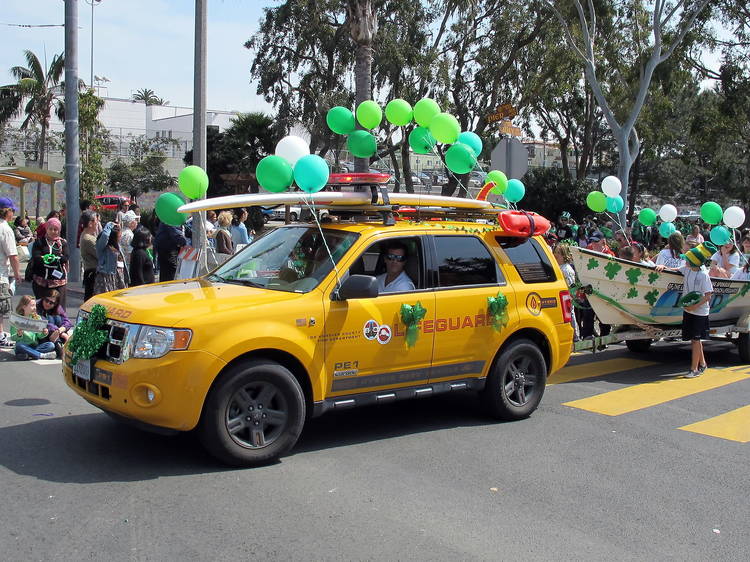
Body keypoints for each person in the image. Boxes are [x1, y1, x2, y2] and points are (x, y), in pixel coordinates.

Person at [656, 243, 714, 377]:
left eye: (687, 259)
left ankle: (694, 369)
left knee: (695, 339)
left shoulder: (703, 275)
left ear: (693, 262)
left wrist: (694, 306)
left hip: (699, 312)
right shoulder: (687, 269)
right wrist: (664, 267)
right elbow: (676, 268)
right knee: (695, 339)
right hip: (688, 310)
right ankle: (703, 364)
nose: (685, 261)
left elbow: (708, 295)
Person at [30, 216, 69, 306]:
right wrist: (55, 259)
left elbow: (65, 258)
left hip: (58, 283)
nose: (53, 231)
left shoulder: (62, 243)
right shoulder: (39, 242)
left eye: (55, 229)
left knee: (58, 310)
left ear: (59, 230)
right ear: (47, 229)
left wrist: (49, 258)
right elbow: (37, 257)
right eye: (50, 229)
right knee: (41, 308)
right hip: (40, 282)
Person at [0, 198, 23, 348]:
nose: (13, 213)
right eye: (12, 210)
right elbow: (13, 256)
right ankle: (1, 335)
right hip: (1, 275)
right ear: (6, 211)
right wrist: (17, 274)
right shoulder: (5, 229)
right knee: (1, 309)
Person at [10, 295, 57, 360]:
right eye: (32, 305)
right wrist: (19, 335)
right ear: (24, 306)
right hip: (23, 345)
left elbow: (39, 336)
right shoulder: (17, 319)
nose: (34, 308)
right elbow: (13, 337)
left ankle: (28, 355)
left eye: (35, 305)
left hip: (34, 346)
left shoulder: (37, 317)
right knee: (19, 345)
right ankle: (42, 355)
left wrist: (44, 333)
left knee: (51, 345)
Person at [553, 243, 580, 341]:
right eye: (555, 252)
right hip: (560, 295)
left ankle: (575, 336)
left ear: (564, 256)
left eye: (558, 253)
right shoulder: (559, 267)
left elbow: (571, 285)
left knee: (570, 315)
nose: (555, 255)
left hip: (567, 296)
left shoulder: (566, 269)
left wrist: (570, 296)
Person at [94, 222, 129, 295]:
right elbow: (105, 236)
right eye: (119, 236)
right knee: (105, 303)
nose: (120, 238)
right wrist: (110, 225)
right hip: (106, 277)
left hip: (119, 278)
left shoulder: (118, 246)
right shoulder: (103, 248)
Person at [36, 289, 72, 357]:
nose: (48, 304)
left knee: (57, 318)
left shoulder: (58, 308)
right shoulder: (36, 305)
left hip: (54, 336)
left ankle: (60, 346)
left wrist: (60, 330)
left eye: (51, 303)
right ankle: (60, 349)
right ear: (43, 298)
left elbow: (68, 322)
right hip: (41, 335)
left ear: (55, 304)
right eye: (46, 300)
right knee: (50, 319)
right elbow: (43, 323)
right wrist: (60, 333)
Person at [79, 211, 100, 301]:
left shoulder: (87, 236)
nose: (98, 223)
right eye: (96, 220)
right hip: (93, 274)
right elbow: (101, 255)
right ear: (90, 223)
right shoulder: (88, 239)